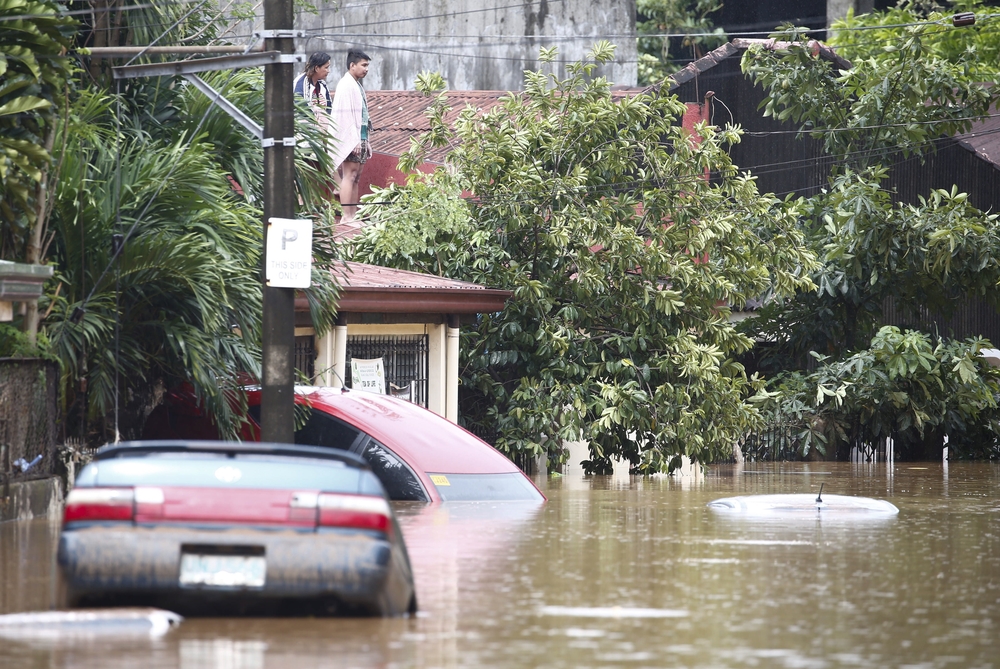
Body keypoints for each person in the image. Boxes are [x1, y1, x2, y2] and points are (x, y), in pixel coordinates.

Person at [329, 49, 372, 223]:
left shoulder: (356, 84)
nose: (366, 69)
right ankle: (346, 216)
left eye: (367, 65)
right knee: (350, 175)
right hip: (352, 138)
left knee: (357, 176)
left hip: (360, 137)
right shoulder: (346, 84)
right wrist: (353, 139)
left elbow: (362, 115)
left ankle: (352, 215)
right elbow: (345, 116)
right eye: (363, 65)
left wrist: (365, 139)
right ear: (352, 65)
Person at [293, 52, 333, 132]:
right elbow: (302, 109)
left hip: (322, 131)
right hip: (305, 131)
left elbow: (329, 108)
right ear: (317, 68)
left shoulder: (322, 85)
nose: (328, 71)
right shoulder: (300, 82)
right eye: (326, 67)